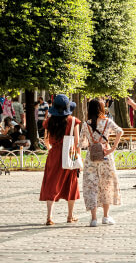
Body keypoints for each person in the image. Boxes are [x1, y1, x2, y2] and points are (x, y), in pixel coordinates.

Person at [81, 98, 123, 227]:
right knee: (106, 185)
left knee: (91, 187)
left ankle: (93, 218)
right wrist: (112, 148)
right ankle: (106, 216)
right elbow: (120, 131)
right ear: (101, 108)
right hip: (105, 155)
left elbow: (81, 143)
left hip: (91, 157)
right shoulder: (107, 122)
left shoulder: (85, 124)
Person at [40, 95, 81, 225]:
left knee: (52, 183)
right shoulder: (73, 120)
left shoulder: (49, 121)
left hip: (54, 154)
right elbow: (77, 142)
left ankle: (49, 216)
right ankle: (70, 216)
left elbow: (46, 140)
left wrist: (51, 149)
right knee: (71, 184)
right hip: (69, 154)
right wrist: (78, 158)